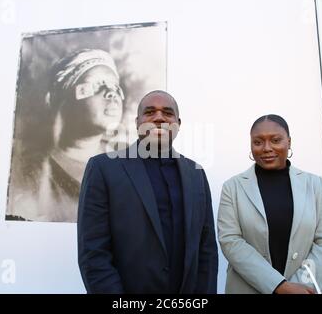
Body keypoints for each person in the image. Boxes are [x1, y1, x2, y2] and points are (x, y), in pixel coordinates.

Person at [77, 90, 218, 293]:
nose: (159, 118)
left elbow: (206, 251)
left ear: (178, 123)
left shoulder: (195, 173)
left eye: (167, 113)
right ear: (137, 122)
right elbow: (93, 252)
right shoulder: (103, 168)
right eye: (150, 112)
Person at [217, 114, 322, 294]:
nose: (267, 148)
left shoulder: (316, 185)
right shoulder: (232, 188)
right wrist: (279, 287)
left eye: (275, 140)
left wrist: (300, 286)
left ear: (289, 142)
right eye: (258, 142)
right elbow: (231, 241)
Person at [7, 48, 126, 222]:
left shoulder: (125, 164)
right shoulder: (27, 178)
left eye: (115, 86)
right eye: (97, 85)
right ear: (61, 100)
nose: (111, 93)